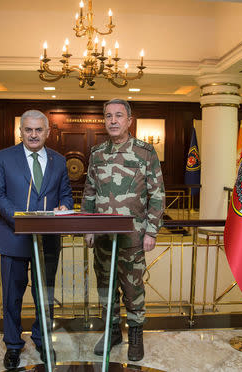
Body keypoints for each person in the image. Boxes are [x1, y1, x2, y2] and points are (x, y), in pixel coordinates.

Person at [81, 98, 165, 361]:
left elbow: (157, 194)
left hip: (133, 236)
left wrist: (151, 231)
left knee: (132, 287)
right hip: (103, 236)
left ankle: (136, 334)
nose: (113, 120)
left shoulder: (145, 152)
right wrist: (87, 227)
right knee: (105, 286)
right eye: (108, 116)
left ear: (129, 120)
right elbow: (89, 193)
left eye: (119, 116)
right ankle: (112, 331)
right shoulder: (96, 153)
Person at [0, 109, 73, 370]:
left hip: (47, 240)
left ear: (47, 132)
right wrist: (22, 218)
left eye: (39, 130)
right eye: (29, 130)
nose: (34, 134)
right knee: (12, 297)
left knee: (44, 295)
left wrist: (64, 207)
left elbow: (67, 195)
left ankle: (42, 340)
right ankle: (13, 345)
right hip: (14, 237)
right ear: (21, 131)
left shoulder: (59, 161)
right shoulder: (4, 157)